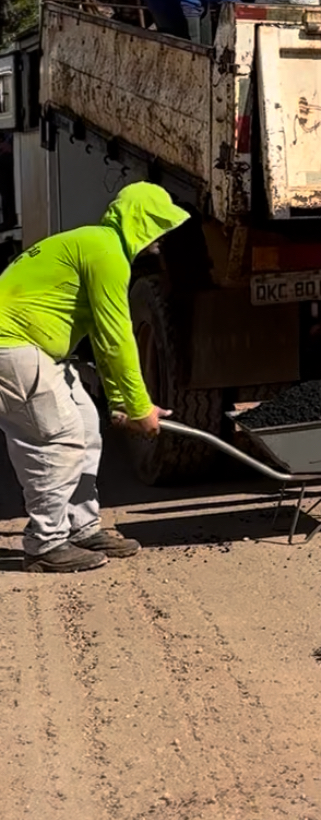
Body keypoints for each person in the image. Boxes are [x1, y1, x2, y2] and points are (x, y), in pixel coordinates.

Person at [0, 183, 189, 573]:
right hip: (11, 344)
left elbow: (104, 342)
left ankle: (81, 526)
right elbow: (116, 337)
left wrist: (122, 401)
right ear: (141, 223)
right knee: (58, 437)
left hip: (38, 348)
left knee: (86, 428)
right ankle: (45, 543)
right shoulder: (107, 252)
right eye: (158, 227)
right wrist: (139, 407)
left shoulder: (98, 244)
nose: (161, 238)